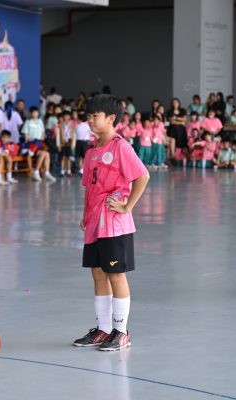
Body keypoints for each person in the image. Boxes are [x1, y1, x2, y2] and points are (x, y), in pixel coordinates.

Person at [74, 94, 150, 351]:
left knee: (116, 274)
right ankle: (103, 329)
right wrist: (86, 214)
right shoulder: (91, 150)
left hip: (114, 223)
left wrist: (127, 206)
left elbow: (142, 176)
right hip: (95, 222)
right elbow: (89, 187)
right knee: (97, 272)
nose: (90, 121)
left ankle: (121, 331)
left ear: (111, 119)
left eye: (95, 116)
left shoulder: (121, 147)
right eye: (88, 116)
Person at [21, 107, 55, 182]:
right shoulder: (28, 122)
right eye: (33, 113)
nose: (35, 114)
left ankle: (47, 172)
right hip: (30, 144)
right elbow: (26, 134)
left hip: (39, 144)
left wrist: (42, 143)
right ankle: (36, 172)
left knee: (47, 154)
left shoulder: (40, 121)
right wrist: (27, 144)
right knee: (43, 153)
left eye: (36, 112)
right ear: (30, 114)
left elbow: (42, 133)